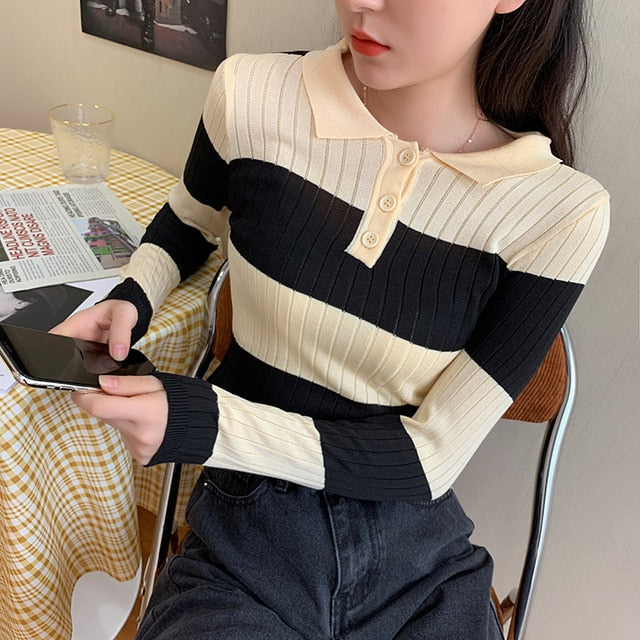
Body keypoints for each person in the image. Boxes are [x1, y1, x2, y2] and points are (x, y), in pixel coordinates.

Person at [54, 1, 609, 637]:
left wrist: (208, 422)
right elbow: (191, 218)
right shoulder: (251, 94)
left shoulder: (559, 214)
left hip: (412, 555)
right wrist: (134, 295)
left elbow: (431, 457)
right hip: (247, 531)